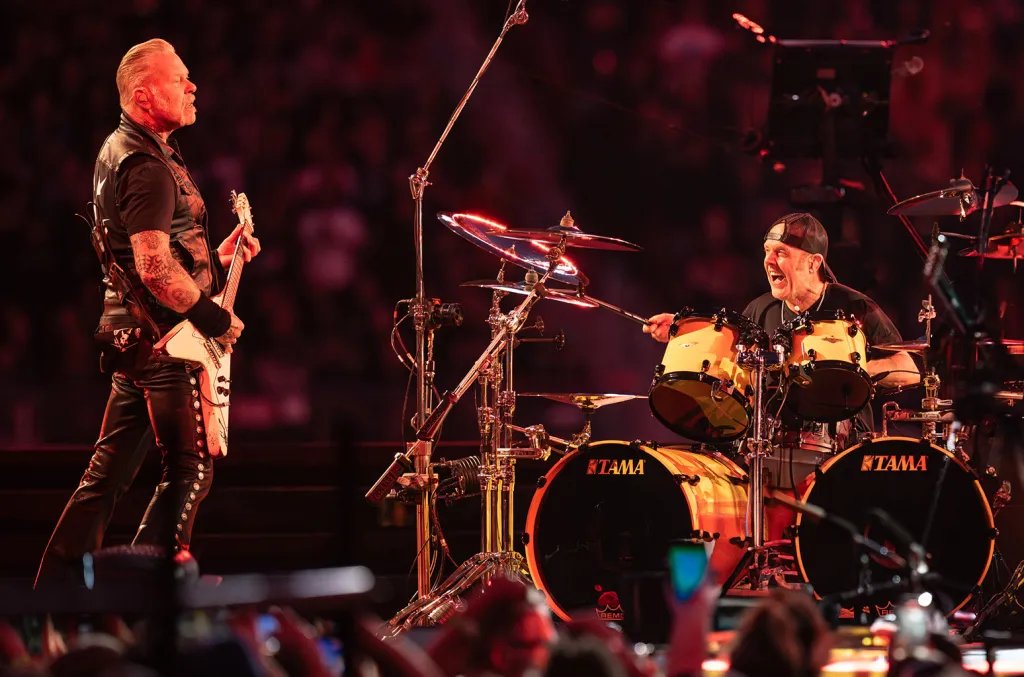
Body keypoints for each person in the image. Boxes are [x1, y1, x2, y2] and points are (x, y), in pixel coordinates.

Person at [35, 38, 260, 586]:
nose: (192, 86)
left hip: (134, 336)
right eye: (179, 78)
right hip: (165, 342)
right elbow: (154, 268)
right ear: (143, 96)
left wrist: (214, 258)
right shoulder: (146, 165)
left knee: (105, 478)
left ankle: (54, 602)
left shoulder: (121, 149)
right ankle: (148, 591)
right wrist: (214, 318)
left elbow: (145, 255)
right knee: (190, 468)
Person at [645, 213, 919, 532]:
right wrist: (685, 331)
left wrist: (849, 372)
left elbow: (909, 369)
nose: (769, 261)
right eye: (766, 251)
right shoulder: (760, 309)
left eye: (781, 253)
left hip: (840, 451)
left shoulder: (855, 306)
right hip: (767, 450)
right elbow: (729, 366)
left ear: (814, 263)